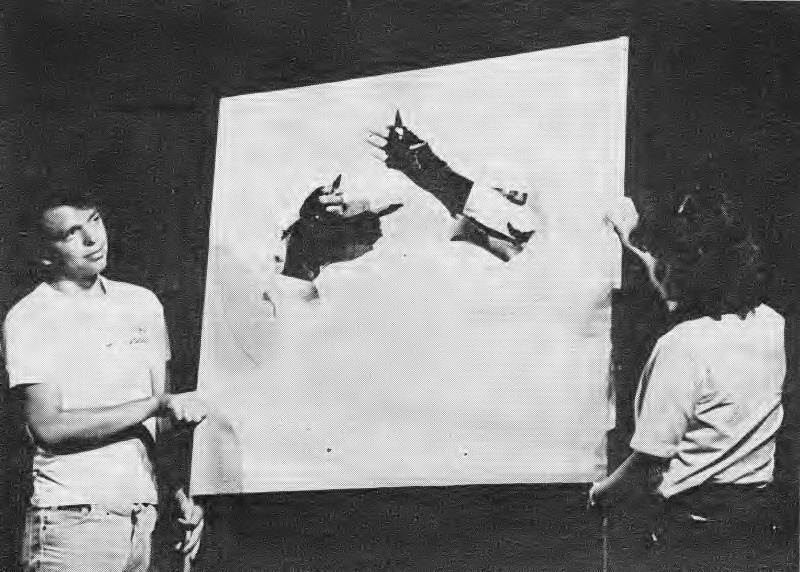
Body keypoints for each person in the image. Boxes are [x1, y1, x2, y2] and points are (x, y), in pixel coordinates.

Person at [4, 188, 207, 571]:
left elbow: (160, 424)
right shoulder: (32, 316)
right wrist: (154, 404)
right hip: (72, 520)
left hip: (143, 517)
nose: (92, 239)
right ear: (45, 253)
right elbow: (48, 427)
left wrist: (180, 495)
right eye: (71, 233)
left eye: (94, 220)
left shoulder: (142, 304)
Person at [589, 192, 788, 571]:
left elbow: (649, 461)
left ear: (690, 274)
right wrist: (629, 238)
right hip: (758, 524)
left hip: (695, 535)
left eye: (667, 265)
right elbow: (673, 280)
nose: (659, 275)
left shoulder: (682, 346)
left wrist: (599, 493)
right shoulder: (771, 323)